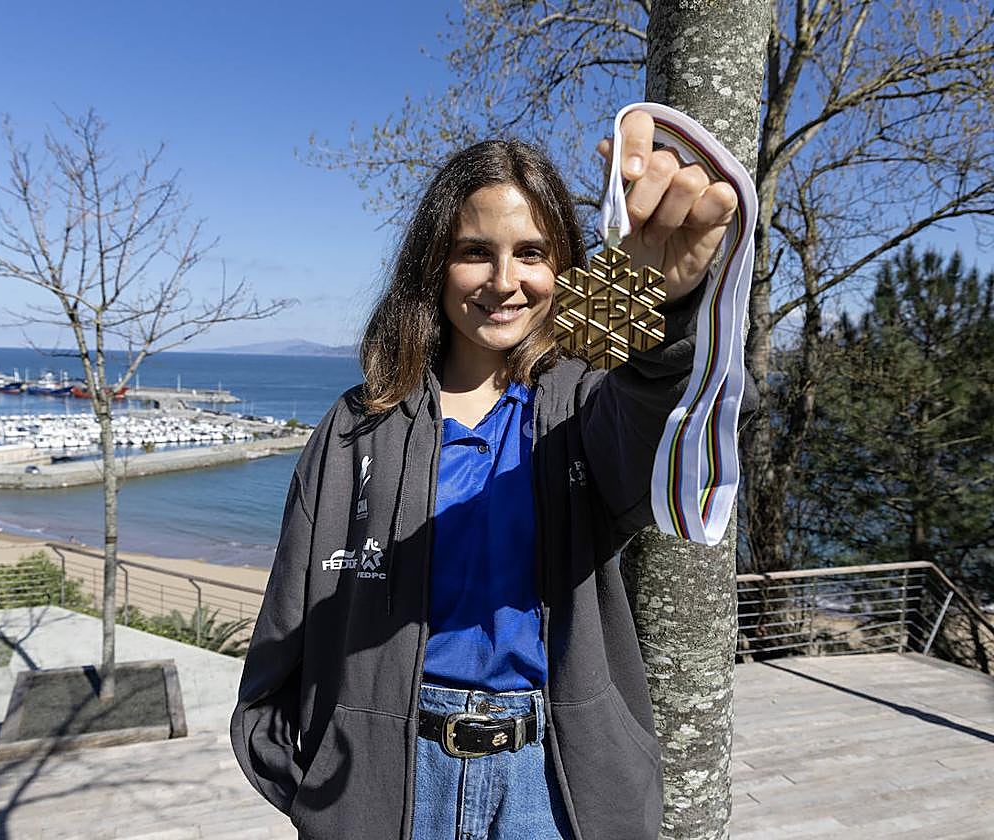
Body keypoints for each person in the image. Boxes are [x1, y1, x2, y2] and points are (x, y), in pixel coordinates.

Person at [231, 111, 743, 840]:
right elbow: (288, 621)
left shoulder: (583, 401)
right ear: (434, 265)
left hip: (550, 788)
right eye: (476, 251)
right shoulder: (356, 426)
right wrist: (323, 787)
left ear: (562, 268)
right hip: (386, 789)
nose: (505, 282)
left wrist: (663, 303)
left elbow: (661, 415)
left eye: (532, 252)